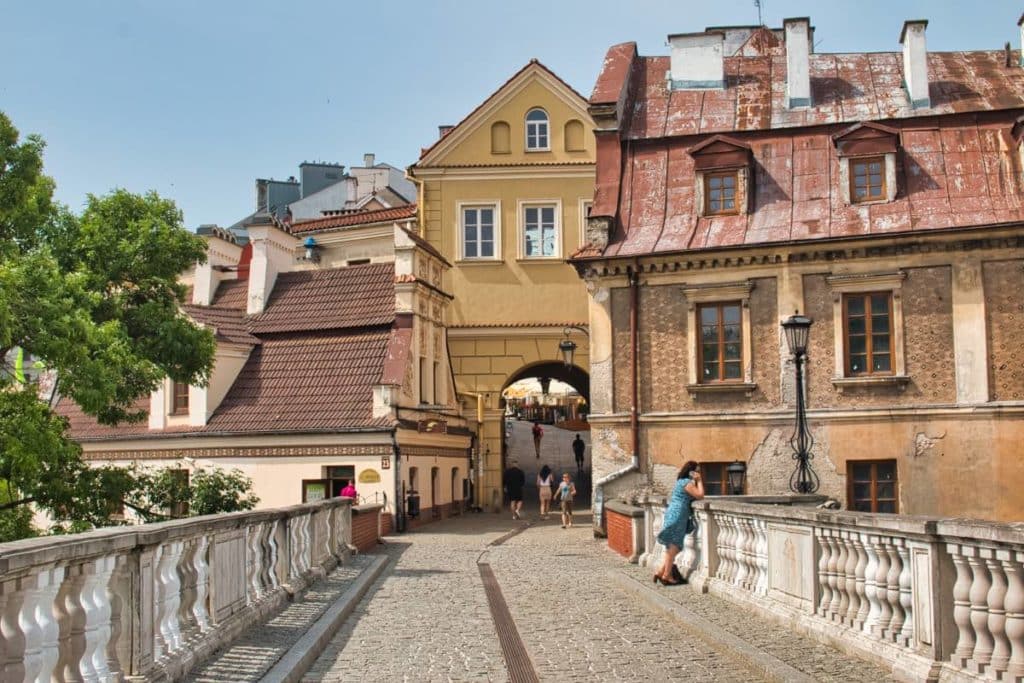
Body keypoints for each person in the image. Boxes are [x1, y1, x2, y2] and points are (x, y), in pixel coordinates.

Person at [653, 460, 704, 586]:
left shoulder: (679, 482)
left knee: (671, 546)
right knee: (674, 545)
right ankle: (667, 575)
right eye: (697, 471)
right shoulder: (687, 483)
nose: (699, 473)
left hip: (673, 513)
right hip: (678, 514)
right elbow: (700, 495)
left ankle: (661, 571)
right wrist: (699, 480)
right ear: (691, 472)